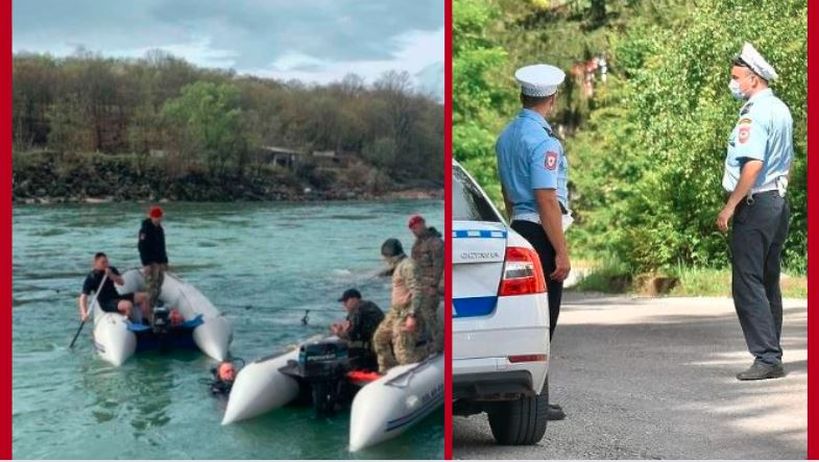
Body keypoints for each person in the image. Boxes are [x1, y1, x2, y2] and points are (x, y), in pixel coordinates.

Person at [495, 63, 571, 420]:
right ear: (552, 99)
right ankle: (534, 401)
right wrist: (561, 250)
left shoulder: (507, 136)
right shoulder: (543, 141)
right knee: (544, 320)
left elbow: (508, 195)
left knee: (528, 317)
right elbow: (546, 198)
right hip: (541, 232)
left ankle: (537, 398)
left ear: (523, 95)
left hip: (518, 227)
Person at [716, 42, 793, 381]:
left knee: (747, 282)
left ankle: (766, 356)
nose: (733, 84)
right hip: (777, 202)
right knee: (767, 280)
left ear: (753, 78)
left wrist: (730, 205)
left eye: (736, 78)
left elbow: (754, 163)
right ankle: (771, 351)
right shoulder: (780, 108)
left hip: (756, 203)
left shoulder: (754, 113)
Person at [372, 238, 427, 374]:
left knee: (403, 354)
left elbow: (417, 290)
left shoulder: (408, 266)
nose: (385, 260)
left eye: (385, 257)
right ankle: (387, 369)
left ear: (390, 255)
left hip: (406, 312)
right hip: (395, 312)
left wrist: (411, 315)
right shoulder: (399, 265)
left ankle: (428, 350)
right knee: (379, 338)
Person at [408, 214, 444, 353]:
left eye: (416, 227)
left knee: (429, 314)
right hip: (419, 285)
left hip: (430, 285)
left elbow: (439, 265)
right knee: (418, 313)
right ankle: (422, 341)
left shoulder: (435, 243)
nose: (415, 231)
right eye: (412, 229)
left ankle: (439, 343)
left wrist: (434, 286)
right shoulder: (417, 244)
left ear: (423, 224)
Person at [78, 252, 147, 321]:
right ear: (96, 263)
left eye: (106, 262)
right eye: (103, 262)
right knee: (128, 305)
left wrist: (111, 275)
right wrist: (84, 313)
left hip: (116, 297)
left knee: (144, 296)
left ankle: (145, 320)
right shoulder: (92, 277)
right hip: (106, 303)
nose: (106, 264)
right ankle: (128, 322)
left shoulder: (111, 269)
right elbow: (83, 298)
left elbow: (121, 282)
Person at [331, 288, 385, 370]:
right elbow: (351, 325)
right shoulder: (368, 305)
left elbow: (351, 335)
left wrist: (338, 332)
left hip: (372, 349)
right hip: (378, 344)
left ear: (354, 299)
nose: (344, 304)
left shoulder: (359, 309)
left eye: (346, 301)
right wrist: (343, 328)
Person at [138, 205, 168, 320]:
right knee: (151, 286)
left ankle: (154, 306)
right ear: (153, 217)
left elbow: (162, 246)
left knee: (159, 284)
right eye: (158, 217)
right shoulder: (145, 229)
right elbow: (142, 247)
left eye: (161, 217)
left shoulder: (160, 229)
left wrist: (165, 261)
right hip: (150, 262)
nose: (160, 219)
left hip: (159, 261)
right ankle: (147, 313)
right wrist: (146, 263)